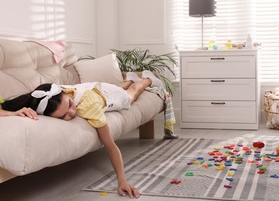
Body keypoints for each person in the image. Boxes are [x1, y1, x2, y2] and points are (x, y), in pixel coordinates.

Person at [0, 70, 170, 198]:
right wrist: (12, 113)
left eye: (71, 105)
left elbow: (110, 145)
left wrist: (122, 181)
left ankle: (147, 78)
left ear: (65, 93)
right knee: (117, 87)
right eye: (64, 116)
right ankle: (130, 78)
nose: (72, 114)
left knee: (132, 94)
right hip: (95, 88)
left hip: (108, 97)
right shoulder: (46, 97)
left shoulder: (89, 108)